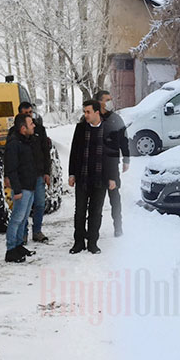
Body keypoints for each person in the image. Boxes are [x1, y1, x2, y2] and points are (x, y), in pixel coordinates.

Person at [68, 100, 118, 254]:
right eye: (84, 112)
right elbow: (74, 152)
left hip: (100, 179)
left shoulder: (109, 129)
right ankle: (78, 242)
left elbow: (113, 156)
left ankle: (92, 243)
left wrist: (112, 178)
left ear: (97, 112)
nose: (86, 115)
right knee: (80, 211)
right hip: (83, 177)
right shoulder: (81, 128)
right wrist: (72, 173)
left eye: (88, 112)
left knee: (96, 212)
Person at [6, 101, 52, 243]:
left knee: (39, 204)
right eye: (26, 114)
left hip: (38, 174)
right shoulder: (14, 134)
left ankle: (37, 231)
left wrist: (47, 172)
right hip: (22, 178)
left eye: (30, 113)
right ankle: (22, 235)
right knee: (21, 211)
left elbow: (45, 151)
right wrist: (7, 175)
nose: (29, 115)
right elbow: (9, 157)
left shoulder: (39, 130)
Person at [93, 90, 130, 237]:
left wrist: (126, 159)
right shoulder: (93, 119)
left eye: (111, 99)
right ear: (99, 102)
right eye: (107, 99)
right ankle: (94, 231)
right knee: (97, 200)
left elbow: (124, 140)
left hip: (112, 163)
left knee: (115, 197)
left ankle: (118, 227)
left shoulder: (115, 119)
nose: (110, 102)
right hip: (95, 165)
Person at [4, 113, 38, 263]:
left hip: (29, 187)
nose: (34, 126)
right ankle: (11, 249)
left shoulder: (26, 141)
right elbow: (12, 169)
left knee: (23, 219)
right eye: (31, 124)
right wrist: (17, 190)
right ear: (23, 128)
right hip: (21, 188)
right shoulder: (14, 144)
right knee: (16, 219)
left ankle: (18, 246)